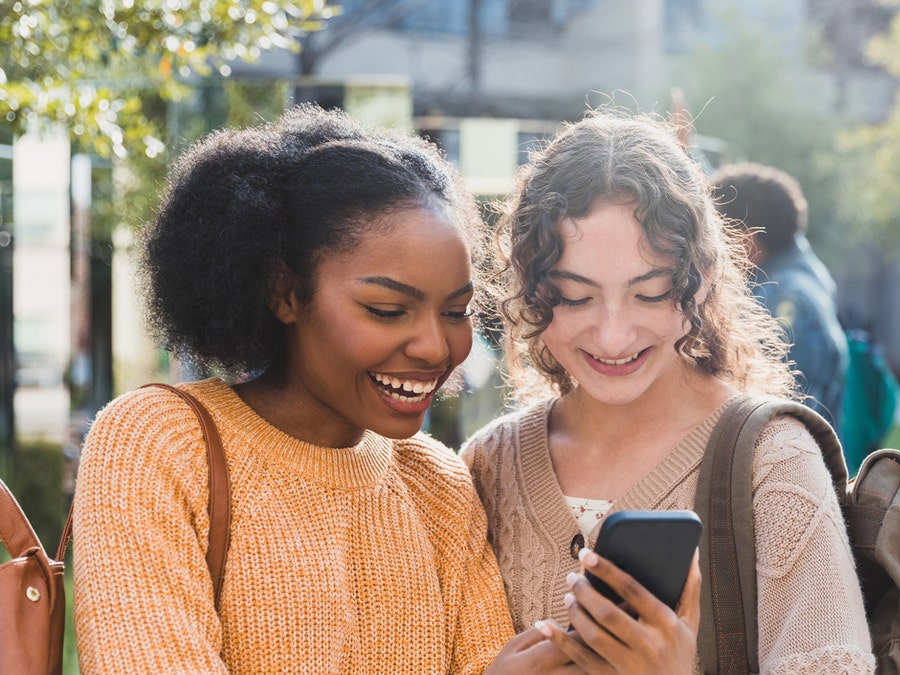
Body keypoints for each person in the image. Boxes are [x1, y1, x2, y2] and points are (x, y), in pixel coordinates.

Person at [71, 105, 588, 673]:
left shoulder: (437, 488)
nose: (436, 348)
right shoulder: (158, 445)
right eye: (388, 310)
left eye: (456, 311)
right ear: (284, 293)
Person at [462, 111, 874, 673]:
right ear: (529, 289)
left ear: (702, 278)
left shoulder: (772, 466)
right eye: (575, 297)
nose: (612, 336)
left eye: (650, 293)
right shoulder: (486, 465)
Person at [710, 163, 849, 430]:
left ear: (746, 240)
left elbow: (782, 419)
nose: (708, 247)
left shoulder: (788, 301)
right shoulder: (794, 280)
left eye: (716, 233)